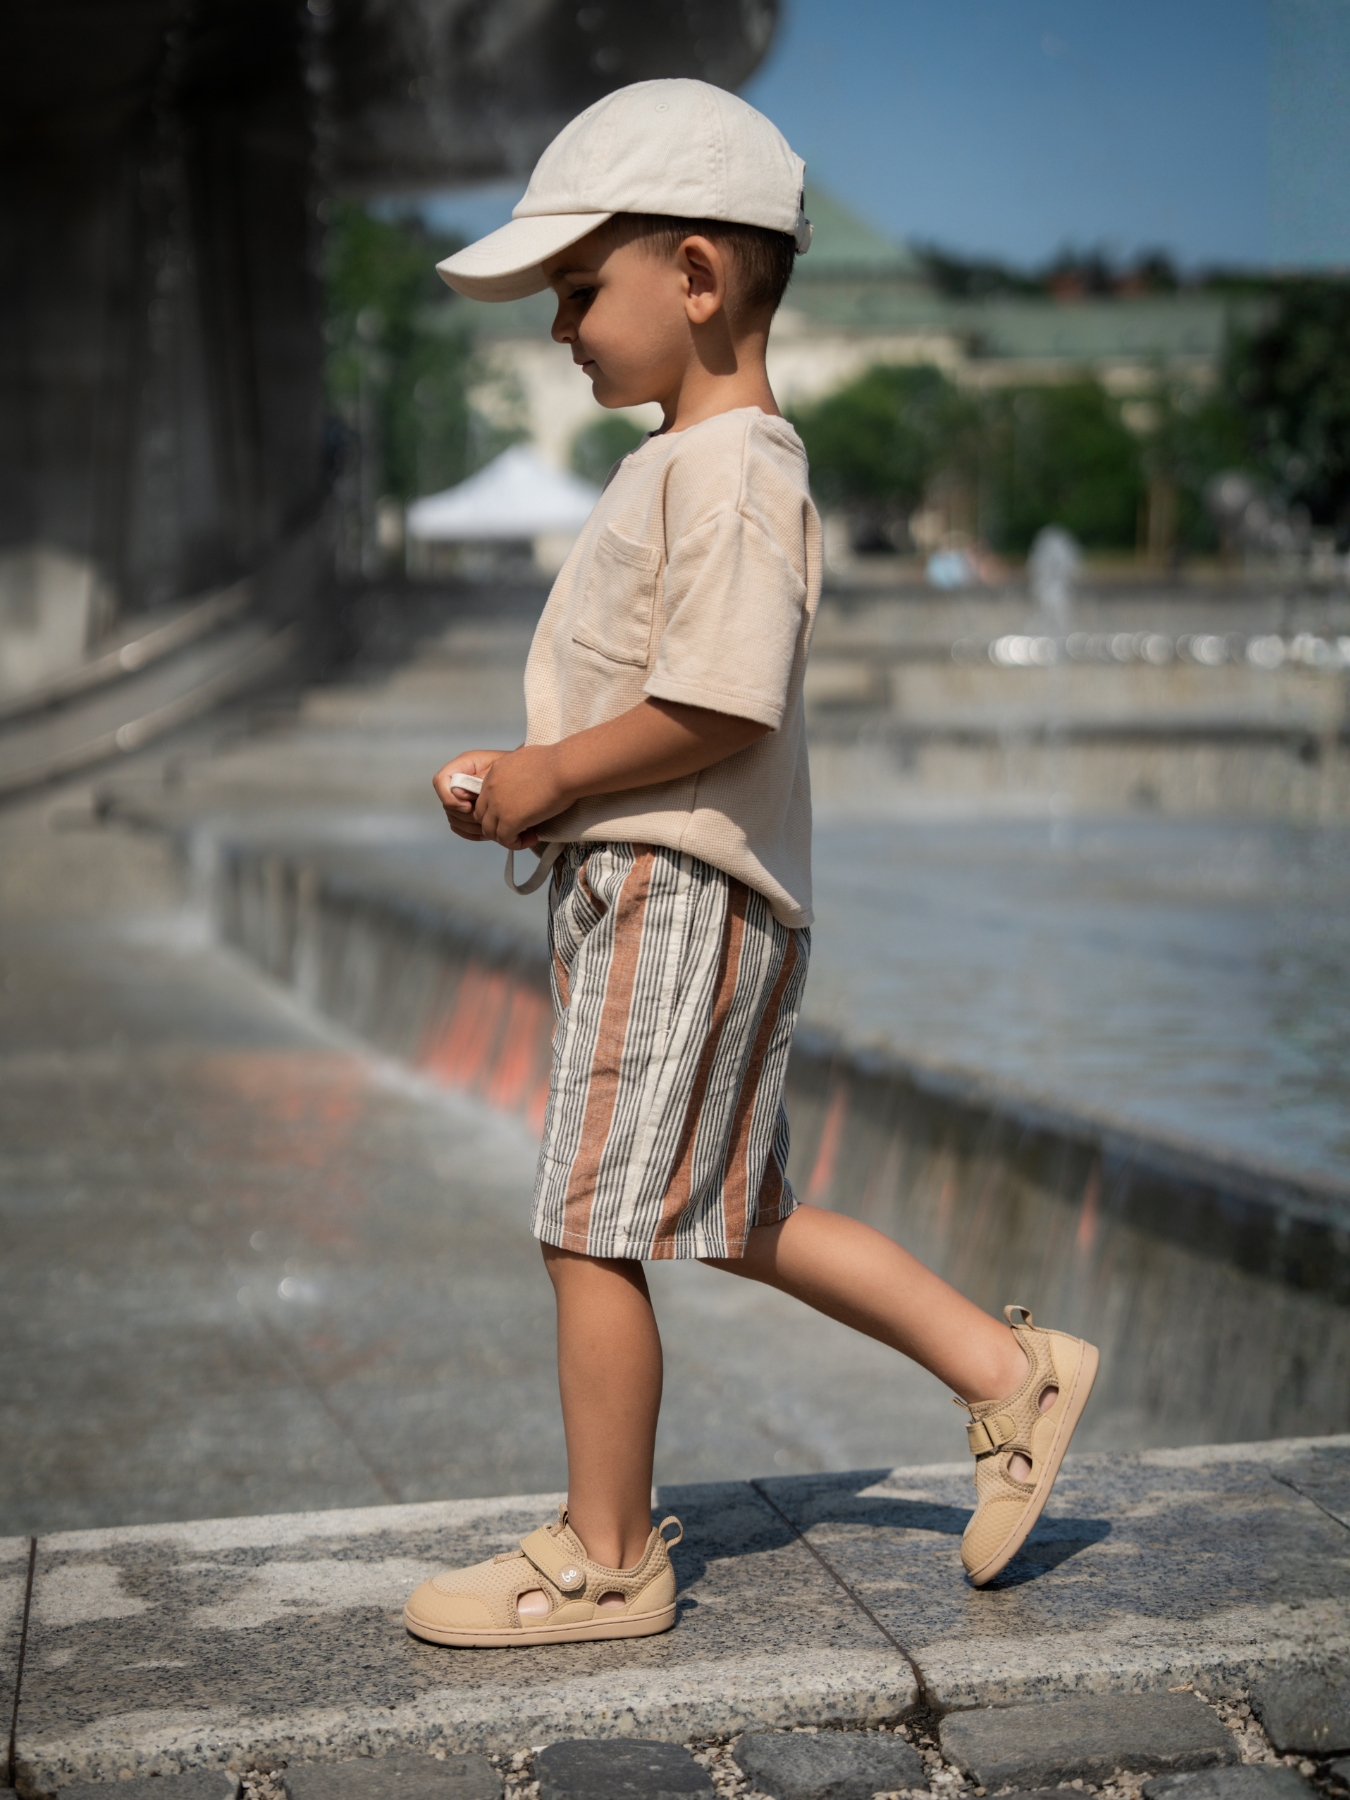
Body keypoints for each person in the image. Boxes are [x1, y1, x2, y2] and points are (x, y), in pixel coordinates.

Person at [403, 79, 1098, 1649]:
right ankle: (1011, 1373)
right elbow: (664, 698)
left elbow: (721, 701)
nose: (559, 327)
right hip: (668, 890)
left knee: (590, 1221)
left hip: (678, 897)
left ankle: (604, 1559)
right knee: (732, 1212)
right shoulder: (687, 464)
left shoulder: (729, 469)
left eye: (579, 288)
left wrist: (549, 777)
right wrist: (523, 786)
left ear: (698, 278)